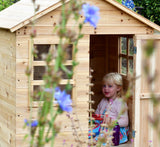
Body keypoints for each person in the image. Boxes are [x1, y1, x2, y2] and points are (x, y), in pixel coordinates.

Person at [89, 72, 129, 145]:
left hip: (115, 129)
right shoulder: (103, 100)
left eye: (110, 86)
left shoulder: (120, 103)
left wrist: (113, 122)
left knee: (107, 133)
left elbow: (125, 121)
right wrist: (95, 117)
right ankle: (92, 136)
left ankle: (96, 140)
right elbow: (97, 113)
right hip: (102, 125)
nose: (106, 89)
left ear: (118, 88)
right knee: (90, 128)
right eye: (104, 86)